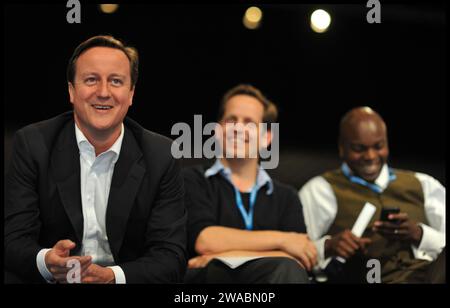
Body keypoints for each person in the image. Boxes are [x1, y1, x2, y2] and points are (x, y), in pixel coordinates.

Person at [4, 35, 187, 283]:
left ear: (131, 93)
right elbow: (13, 240)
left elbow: (169, 257)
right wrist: (47, 261)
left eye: (116, 81)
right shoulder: (33, 144)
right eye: (91, 80)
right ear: (71, 90)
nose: (103, 92)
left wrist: (112, 277)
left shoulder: (161, 155)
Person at [183, 84, 317, 283]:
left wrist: (221, 257)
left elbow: (299, 258)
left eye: (249, 123)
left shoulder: (286, 196)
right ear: (218, 129)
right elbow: (206, 240)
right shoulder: (192, 179)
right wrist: (283, 240)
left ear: (266, 138)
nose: (238, 128)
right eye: (231, 120)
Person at [299, 106, 445, 283]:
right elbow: (296, 251)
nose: (370, 156)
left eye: (378, 146)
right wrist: (328, 246)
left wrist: (419, 234)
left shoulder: (424, 184)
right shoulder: (320, 190)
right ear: (341, 148)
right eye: (359, 148)